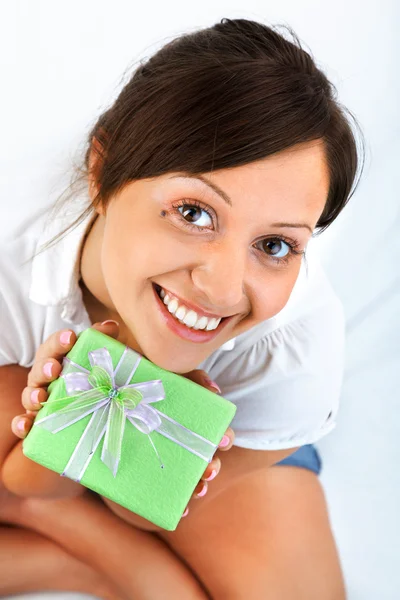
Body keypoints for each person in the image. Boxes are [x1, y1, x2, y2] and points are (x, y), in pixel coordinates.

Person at [0, 17, 364, 600]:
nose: (221, 291)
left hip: (228, 437)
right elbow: (28, 480)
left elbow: (142, 512)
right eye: (194, 212)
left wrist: (159, 472)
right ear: (101, 172)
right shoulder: (10, 256)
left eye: (274, 246)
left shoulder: (291, 351)